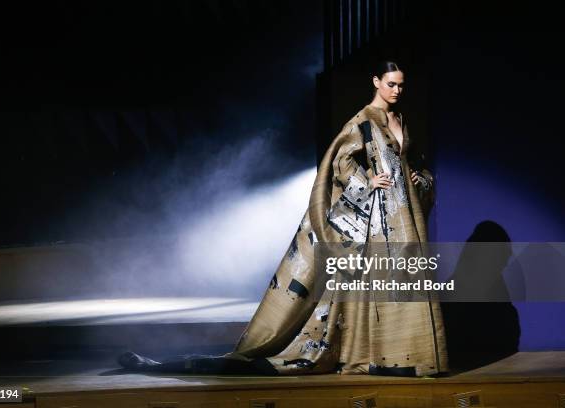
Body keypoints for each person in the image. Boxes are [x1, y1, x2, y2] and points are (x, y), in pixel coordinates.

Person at [118, 61, 449, 377]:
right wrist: (366, 183)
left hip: (403, 214)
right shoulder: (362, 122)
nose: (396, 90)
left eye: (401, 86)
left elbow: (411, 159)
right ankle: (378, 357)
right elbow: (339, 165)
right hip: (377, 218)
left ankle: (412, 356)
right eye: (391, 84)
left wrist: (419, 177)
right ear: (376, 82)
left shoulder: (401, 121)